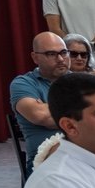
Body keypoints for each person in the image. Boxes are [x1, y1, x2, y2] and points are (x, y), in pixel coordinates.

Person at [11, 32, 70, 174]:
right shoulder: (23, 83)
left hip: (82, 154)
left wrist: (50, 108)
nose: (60, 59)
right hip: (43, 162)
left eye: (64, 52)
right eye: (51, 54)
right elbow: (41, 116)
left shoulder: (81, 81)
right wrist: (83, 110)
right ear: (35, 57)